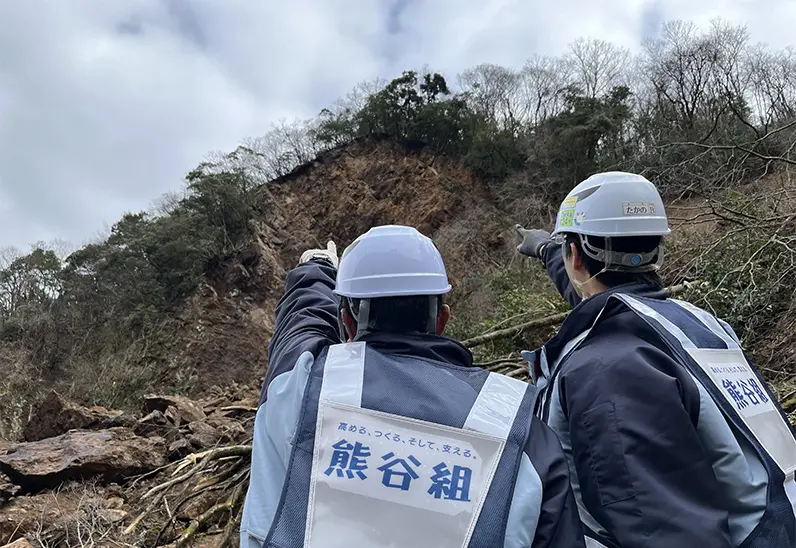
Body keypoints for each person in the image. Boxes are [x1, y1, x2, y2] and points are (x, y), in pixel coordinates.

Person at [239, 224, 585, 548]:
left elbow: (302, 322)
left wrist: (316, 269)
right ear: (442, 320)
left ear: (345, 322)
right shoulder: (521, 432)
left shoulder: (303, 388)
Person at [515, 171, 796, 548]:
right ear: (655, 251)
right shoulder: (692, 323)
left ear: (576, 256)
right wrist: (550, 250)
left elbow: (662, 531)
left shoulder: (606, 370)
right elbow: (603, 299)